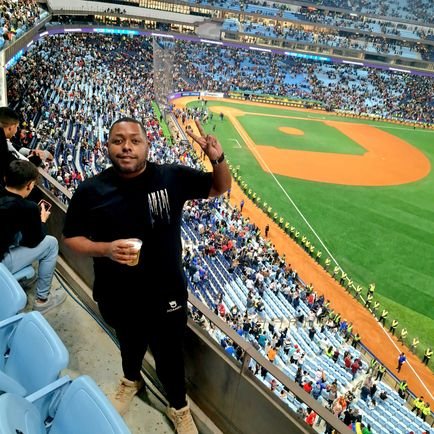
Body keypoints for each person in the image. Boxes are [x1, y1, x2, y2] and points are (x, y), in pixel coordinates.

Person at [62, 117, 231, 433]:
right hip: (116, 291)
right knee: (128, 342)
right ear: (107, 146)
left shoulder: (172, 177)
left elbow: (220, 187)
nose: (126, 146)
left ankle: (179, 407)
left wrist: (216, 158)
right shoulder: (90, 190)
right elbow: (71, 237)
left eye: (134, 140)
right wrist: (107, 249)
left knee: (170, 355)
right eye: (118, 140)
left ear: (147, 146)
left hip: (166, 292)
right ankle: (131, 381)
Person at [0, 160, 65, 313]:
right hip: (1, 264)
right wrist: (41, 220)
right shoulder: (28, 208)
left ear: (4, 179)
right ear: (29, 185)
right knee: (51, 243)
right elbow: (33, 241)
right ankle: (42, 300)